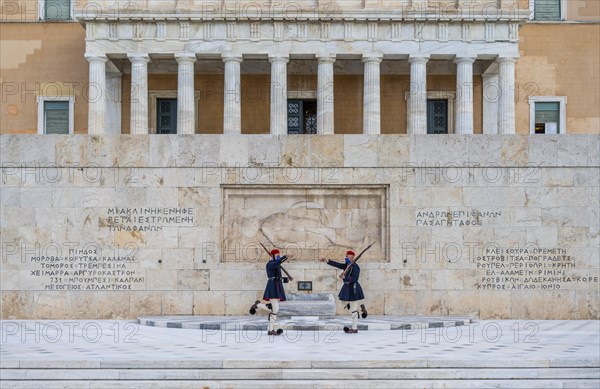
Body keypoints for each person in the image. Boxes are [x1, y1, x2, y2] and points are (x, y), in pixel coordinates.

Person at [249, 249, 294, 336]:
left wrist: (286, 279)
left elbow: (278, 277)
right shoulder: (270, 264)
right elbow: (276, 263)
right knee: (275, 309)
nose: (278, 257)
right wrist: (286, 257)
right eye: (277, 255)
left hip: (277, 287)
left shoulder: (276, 264)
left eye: (278, 255)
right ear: (272, 256)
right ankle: (257, 305)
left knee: (274, 309)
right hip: (272, 287)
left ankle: (271, 330)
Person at [321, 250, 367, 333]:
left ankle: (354, 328)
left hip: (354, 288)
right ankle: (360, 308)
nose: (346, 257)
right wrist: (327, 261)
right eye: (346, 256)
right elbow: (338, 265)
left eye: (347, 256)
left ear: (352, 257)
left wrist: (344, 278)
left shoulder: (355, 267)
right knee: (344, 303)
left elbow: (355, 279)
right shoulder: (347, 265)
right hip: (347, 287)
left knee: (353, 309)